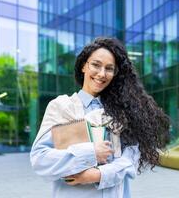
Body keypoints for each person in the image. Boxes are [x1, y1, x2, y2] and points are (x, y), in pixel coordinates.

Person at [30, 37, 170, 198]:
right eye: (96, 65)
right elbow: (40, 159)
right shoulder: (62, 106)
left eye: (109, 68)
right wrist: (91, 153)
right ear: (84, 66)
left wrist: (97, 175)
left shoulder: (122, 110)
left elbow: (130, 159)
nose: (102, 74)